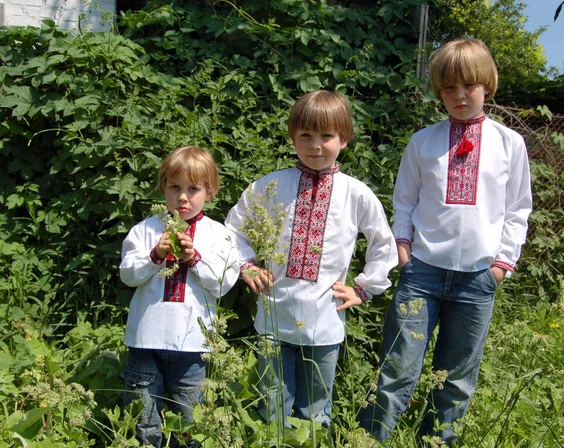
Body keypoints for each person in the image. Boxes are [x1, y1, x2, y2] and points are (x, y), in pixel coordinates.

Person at [359, 38, 533, 444]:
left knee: (456, 379)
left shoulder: (510, 144)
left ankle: (435, 441)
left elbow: (518, 209)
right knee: (397, 369)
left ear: (486, 85)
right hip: (422, 274)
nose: (458, 95)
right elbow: (404, 201)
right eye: (449, 88)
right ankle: (369, 440)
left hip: (478, 280)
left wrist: (500, 267)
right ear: (439, 90)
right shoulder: (424, 142)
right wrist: (404, 253)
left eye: (468, 86)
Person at [225, 90, 397, 428]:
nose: (315, 145)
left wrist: (363, 289)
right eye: (305, 135)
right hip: (274, 316)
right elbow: (233, 231)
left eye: (326, 136)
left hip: (325, 320)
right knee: (272, 406)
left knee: (316, 410)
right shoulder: (270, 185)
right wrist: (246, 266)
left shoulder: (355, 192)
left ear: (344, 139)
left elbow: (383, 243)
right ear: (293, 137)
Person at [119, 146, 239, 447]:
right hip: (145, 340)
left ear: (209, 192)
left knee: (190, 422)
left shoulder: (219, 234)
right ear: (163, 188)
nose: (182, 197)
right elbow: (128, 275)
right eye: (174, 187)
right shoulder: (145, 230)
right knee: (143, 419)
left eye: (193, 189)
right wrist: (156, 255)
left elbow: (223, 284)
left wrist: (194, 258)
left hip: (193, 345)